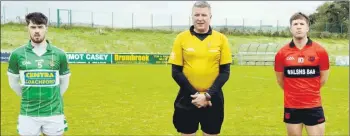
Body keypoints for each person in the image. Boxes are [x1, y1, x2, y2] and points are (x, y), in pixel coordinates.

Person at [168, 1, 232, 136]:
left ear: (210, 17)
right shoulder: (181, 38)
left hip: (213, 98)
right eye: (197, 14)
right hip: (187, 96)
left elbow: (225, 72)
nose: (200, 18)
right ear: (192, 16)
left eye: (204, 15)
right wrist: (196, 95)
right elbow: (176, 72)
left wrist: (207, 95)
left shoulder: (221, 39)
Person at [7, 12, 71, 136]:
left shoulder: (59, 54)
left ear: (46, 28)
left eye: (40, 27)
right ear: (28, 28)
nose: (37, 31)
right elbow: (13, 83)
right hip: (28, 112)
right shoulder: (17, 54)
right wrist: (29, 96)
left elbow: (64, 83)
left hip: (54, 112)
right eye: (33, 27)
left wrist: (52, 98)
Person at [274, 12, 330, 136]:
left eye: (301, 24)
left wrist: (309, 90)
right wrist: (294, 92)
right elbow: (280, 80)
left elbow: (324, 78)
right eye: (295, 24)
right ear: (290, 28)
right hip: (292, 106)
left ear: (307, 28)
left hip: (314, 106)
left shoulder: (320, 51)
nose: (298, 27)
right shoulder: (281, 53)